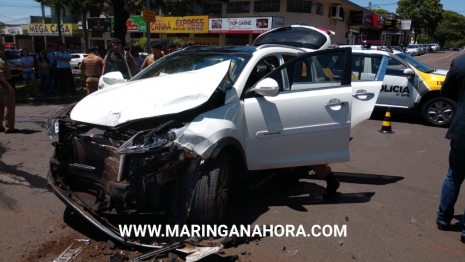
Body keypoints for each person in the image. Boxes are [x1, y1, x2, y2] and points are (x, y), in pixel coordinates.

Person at [436, 53, 465, 244]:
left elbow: (446, 92)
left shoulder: (461, 61)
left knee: (454, 175)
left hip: (462, 128)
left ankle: (443, 219)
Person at [0, 43, 18, 134]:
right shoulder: (0, 60)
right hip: (4, 85)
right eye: (1, 49)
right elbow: (1, 75)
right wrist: (9, 86)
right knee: (9, 106)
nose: (3, 50)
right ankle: (9, 127)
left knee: (0, 106)